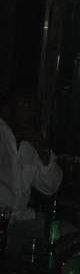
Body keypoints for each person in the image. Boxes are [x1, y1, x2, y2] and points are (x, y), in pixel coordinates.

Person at [0, 88, 62, 224]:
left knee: (65, 230)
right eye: (23, 105)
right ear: (6, 110)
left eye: (32, 107)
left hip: (21, 219)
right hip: (4, 221)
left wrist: (43, 150)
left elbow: (50, 187)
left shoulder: (33, 141)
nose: (29, 112)